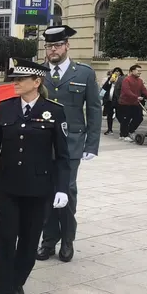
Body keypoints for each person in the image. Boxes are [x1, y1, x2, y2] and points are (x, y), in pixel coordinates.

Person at [0, 59, 70, 294]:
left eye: (20, 79)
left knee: (30, 240)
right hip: (7, 184)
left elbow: (63, 155)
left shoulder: (53, 111)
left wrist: (62, 188)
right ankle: (1, 292)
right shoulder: (5, 107)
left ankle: (18, 282)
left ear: (36, 82)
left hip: (39, 185)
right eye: (14, 79)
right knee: (6, 237)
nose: (15, 83)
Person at [38, 25, 101, 263]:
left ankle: (67, 240)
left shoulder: (83, 73)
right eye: (48, 46)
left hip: (72, 142)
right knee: (45, 193)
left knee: (67, 191)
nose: (52, 50)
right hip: (43, 142)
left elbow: (94, 109)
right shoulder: (38, 72)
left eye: (56, 45)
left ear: (67, 46)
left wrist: (91, 144)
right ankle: (48, 241)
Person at [117, 64, 147, 141]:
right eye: (138, 71)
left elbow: (143, 89)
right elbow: (126, 91)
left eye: (140, 71)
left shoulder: (140, 81)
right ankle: (123, 135)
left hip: (135, 103)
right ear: (132, 71)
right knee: (126, 119)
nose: (140, 72)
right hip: (125, 103)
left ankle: (130, 131)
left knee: (139, 118)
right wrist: (136, 97)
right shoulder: (127, 80)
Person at [100, 68, 123, 135]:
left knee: (119, 115)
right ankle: (109, 129)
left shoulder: (121, 79)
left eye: (118, 71)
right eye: (115, 71)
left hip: (117, 100)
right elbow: (104, 88)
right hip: (109, 100)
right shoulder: (110, 78)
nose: (116, 73)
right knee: (109, 115)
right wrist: (110, 81)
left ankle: (123, 129)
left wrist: (116, 82)